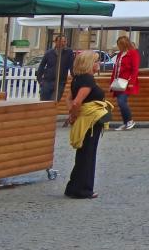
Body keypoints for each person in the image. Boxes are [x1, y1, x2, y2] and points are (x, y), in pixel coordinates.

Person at [65, 50, 112, 199]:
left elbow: (69, 98)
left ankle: (73, 186)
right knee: (88, 154)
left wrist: (72, 112)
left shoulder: (77, 79)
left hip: (88, 118)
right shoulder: (88, 80)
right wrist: (73, 114)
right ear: (89, 64)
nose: (98, 64)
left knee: (83, 154)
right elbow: (77, 101)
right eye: (96, 61)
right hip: (90, 121)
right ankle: (83, 189)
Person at [110, 35, 140, 130]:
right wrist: (112, 82)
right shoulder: (120, 54)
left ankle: (129, 121)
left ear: (124, 44)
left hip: (126, 82)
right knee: (121, 102)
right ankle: (126, 122)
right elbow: (115, 69)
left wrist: (131, 82)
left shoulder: (133, 53)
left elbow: (135, 69)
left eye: (120, 45)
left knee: (121, 101)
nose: (118, 47)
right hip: (118, 82)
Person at [37, 35, 74, 102]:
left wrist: (75, 77)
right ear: (55, 42)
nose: (63, 43)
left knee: (54, 102)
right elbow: (41, 66)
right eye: (60, 41)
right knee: (44, 102)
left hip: (60, 82)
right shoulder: (49, 53)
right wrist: (40, 80)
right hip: (47, 82)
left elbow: (72, 66)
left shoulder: (69, 52)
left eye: (64, 41)